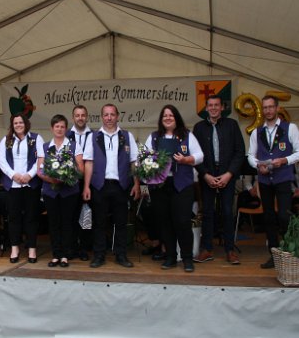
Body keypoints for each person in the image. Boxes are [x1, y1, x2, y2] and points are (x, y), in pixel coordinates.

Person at [248, 95, 299, 269]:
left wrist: (285, 160)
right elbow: (251, 155)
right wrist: (258, 166)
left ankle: (289, 252)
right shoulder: (257, 131)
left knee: (284, 215)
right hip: (265, 180)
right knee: (268, 217)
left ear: (277, 108)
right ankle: (274, 255)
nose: (268, 110)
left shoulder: (290, 128)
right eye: (265, 107)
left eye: (271, 107)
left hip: (283, 178)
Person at [144, 105, 204, 272]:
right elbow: (145, 158)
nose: (168, 118)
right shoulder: (154, 137)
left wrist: (186, 160)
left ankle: (187, 258)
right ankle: (170, 256)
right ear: (161, 119)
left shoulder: (187, 135)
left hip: (182, 185)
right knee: (164, 222)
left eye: (171, 115)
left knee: (182, 222)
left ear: (176, 118)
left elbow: (200, 156)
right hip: (160, 186)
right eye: (165, 115)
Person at [82, 104, 140, 268]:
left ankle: (121, 255)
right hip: (100, 185)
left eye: (112, 114)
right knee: (99, 223)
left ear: (117, 116)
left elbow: (134, 162)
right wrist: (86, 186)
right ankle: (99, 255)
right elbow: (88, 163)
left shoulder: (127, 136)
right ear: (102, 117)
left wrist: (136, 184)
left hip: (121, 186)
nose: (109, 118)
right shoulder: (93, 137)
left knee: (121, 222)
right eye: (106, 115)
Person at [193, 95, 245, 265]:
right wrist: (205, 175)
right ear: (206, 108)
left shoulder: (232, 125)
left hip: (227, 175)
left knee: (228, 212)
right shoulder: (199, 128)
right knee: (207, 212)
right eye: (210, 105)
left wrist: (229, 174)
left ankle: (230, 250)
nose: (214, 108)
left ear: (222, 107)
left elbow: (239, 152)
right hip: (207, 175)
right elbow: (195, 155)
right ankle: (207, 249)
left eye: (217, 105)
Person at [38, 114, 84, 268]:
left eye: (62, 126)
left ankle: (65, 255)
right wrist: (53, 180)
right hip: (50, 191)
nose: (59, 129)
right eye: (57, 126)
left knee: (67, 222)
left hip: (69, 191)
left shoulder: (74, 145)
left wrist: (66, 176)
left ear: (66, 129)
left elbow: (81, 168)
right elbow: (39, 170)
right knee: (53, 223)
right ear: (52, 128)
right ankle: (56, 255)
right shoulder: (45, 146)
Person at [0, 114, 44, 264]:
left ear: (26, 123)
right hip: (13, 185)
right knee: (14, 218)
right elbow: (1, 161)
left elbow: (40, 159)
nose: (18, 125)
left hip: (31, 184)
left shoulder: (36, 138)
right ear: (12, 125)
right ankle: (15, 248)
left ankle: (32, 249)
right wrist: (13, 175)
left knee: (31, 217)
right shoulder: (6, 140)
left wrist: (30, 175)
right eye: (15, 123)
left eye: (21, 122)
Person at [66, 104, 93, 261]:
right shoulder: (66, 135)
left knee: (86, 215)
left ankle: (84, 248)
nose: (80, 118)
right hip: (71, 182)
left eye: (83, 115)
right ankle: (72, 247)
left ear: (87, 117)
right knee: (71, 215)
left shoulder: (95, 135)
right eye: (77, 115)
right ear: (73, 118)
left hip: (90, 182)